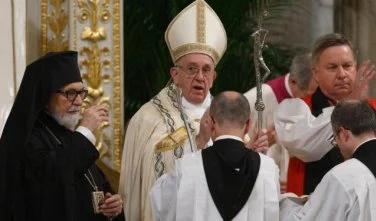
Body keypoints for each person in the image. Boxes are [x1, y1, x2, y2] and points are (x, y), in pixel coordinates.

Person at [119, 0, 268, 220]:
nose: (199, 77)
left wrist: (250, 153)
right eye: (191, 69)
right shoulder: (149, 117)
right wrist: (198, 141)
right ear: (175, 74)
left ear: (214, 77)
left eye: (206, 70)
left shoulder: (227, 112)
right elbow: (149, 174)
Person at [0, 51, 124, 221]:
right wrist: (86, 130)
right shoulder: (29, 141)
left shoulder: (68, 136)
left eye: (81, 93)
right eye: (70, 93)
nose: (80, 102)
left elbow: (94, 188)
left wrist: (113, 208)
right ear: (45, 99)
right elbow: (51, 183)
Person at [274, 33, 376, 196]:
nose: (341, 74)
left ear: (356, 68)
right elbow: (307, 148)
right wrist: (350, 104)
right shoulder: (295, 109)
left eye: (347, 66)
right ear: (316, 73)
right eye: (332, 67)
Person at [151, 91, 280, 221]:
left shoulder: (186, 167)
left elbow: (161, 204)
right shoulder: (268, 168)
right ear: (248, 125)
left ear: (211, 122)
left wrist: (199, 141)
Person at [280, 100, 376, 220]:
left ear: (343, 134)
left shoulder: (342, 176)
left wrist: (283, 203)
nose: (336, 144)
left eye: (334, 139)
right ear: (375, 131)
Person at [244, 52, 317, 192]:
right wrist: (263, 143)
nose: (309, 96)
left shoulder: (306, 100)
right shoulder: (256, 99)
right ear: (293, 81)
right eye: (306, 91)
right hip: (260, 182)